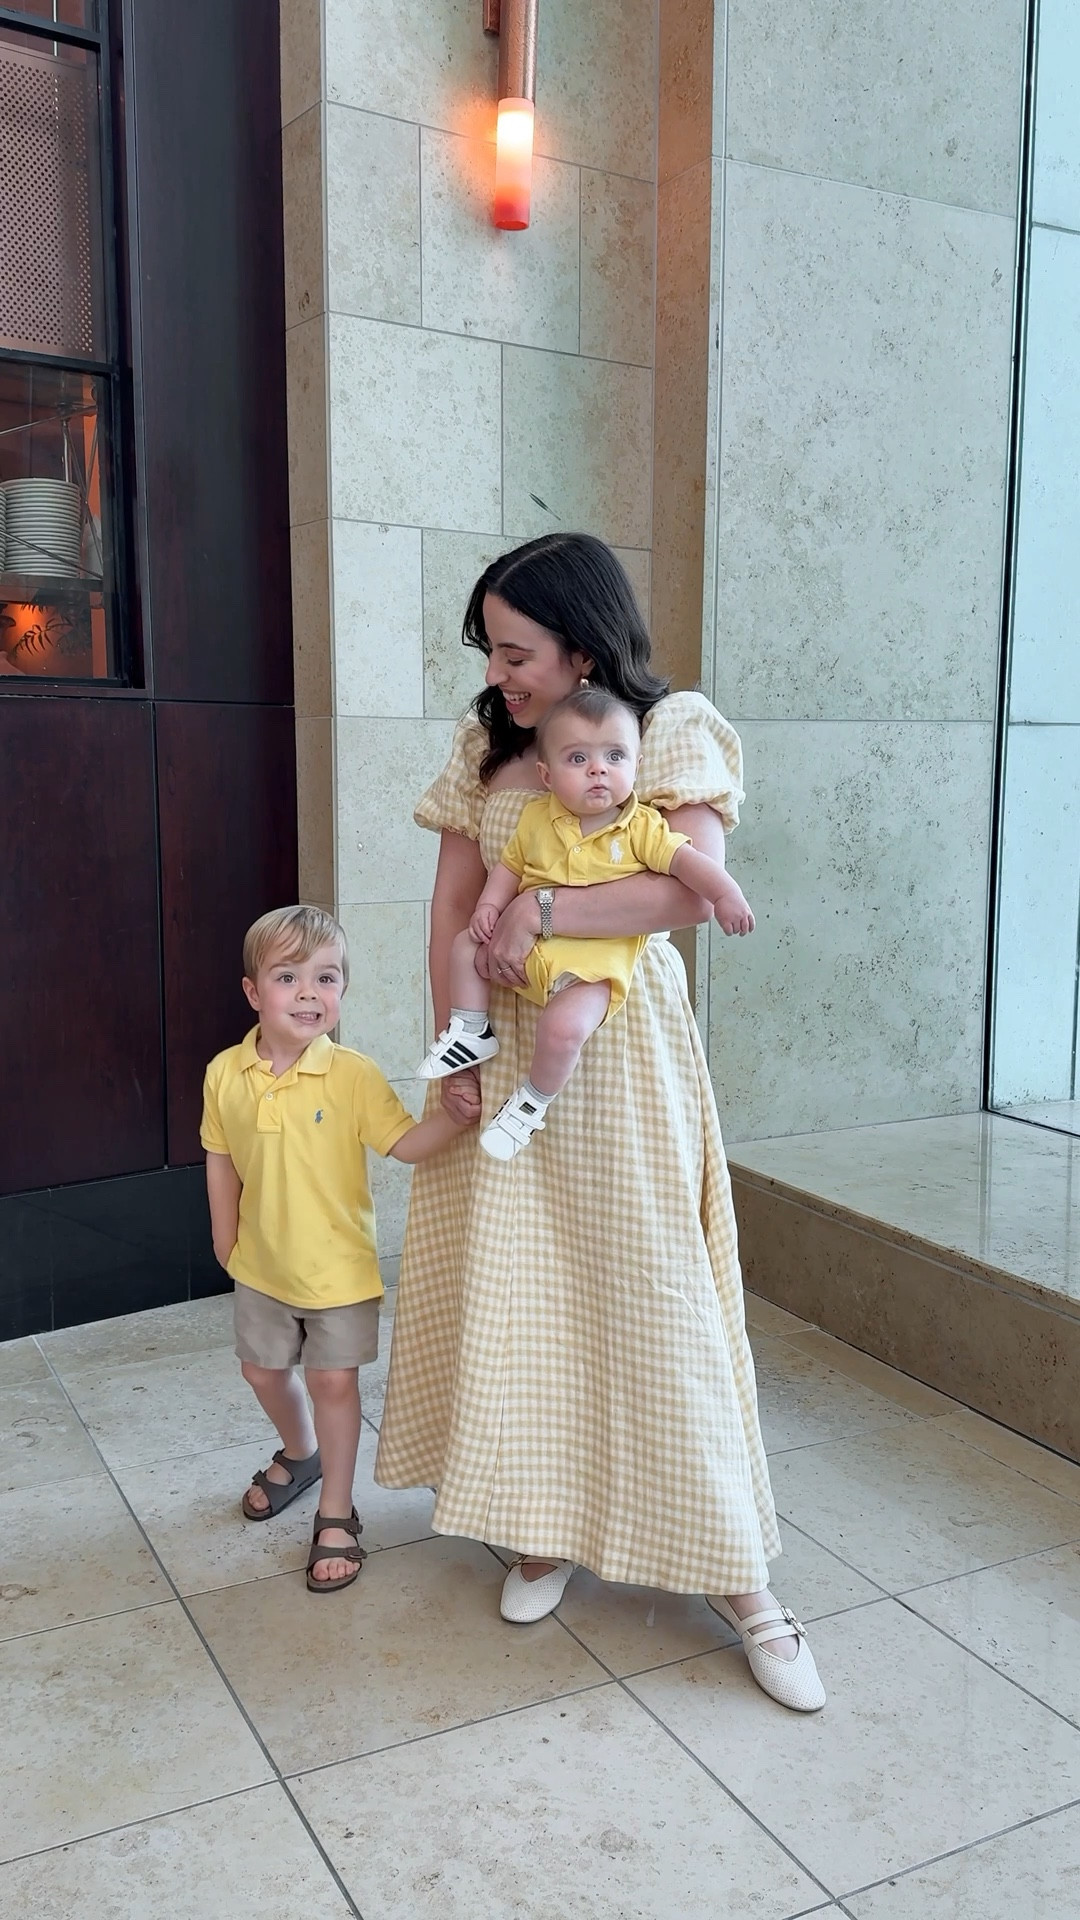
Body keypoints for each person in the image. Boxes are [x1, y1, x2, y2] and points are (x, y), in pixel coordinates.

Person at [375, 532, 825, 1711]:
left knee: (655, 1292)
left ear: (582, 636)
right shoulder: (488, 742)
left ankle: (743, 1580)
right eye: (492, 648)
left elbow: (686, 886)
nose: (501, 669)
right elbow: (447, 912)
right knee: (525, 1292)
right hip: (504, 1050)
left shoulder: (668, 723)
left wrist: (548, 910)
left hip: (612, 1050)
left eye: (516, 647)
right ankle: (539, 1527)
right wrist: (451, 1056)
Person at [201, 905, 471, 1594]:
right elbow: (221, 1157)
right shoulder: (225, 1074)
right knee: (262, 1373)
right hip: (262, 1264)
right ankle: (302, 1453)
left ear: (342, 992)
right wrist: (224, 1235)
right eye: (287, 977)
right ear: (253, 992)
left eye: (326, 978)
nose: (307, 994)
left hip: (340, 1272)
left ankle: (336, 1509)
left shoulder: (352, 1075)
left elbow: (404, 1145)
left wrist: (449, 1119)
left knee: (331, 1381)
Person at [416, 686, 755, 1162]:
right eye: (578, 759)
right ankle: (470, 1031)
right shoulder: (537, 818)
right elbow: (507, 870)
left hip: (593, 967)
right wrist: (490, 908)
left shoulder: (639, 827)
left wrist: (726, 894)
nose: (598, 769)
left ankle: (532, 1102)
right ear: (547, 775)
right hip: (520, 967)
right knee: (463, 949)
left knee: (563, 1028)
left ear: (636, 765)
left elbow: (688, 868)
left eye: (614, 756)